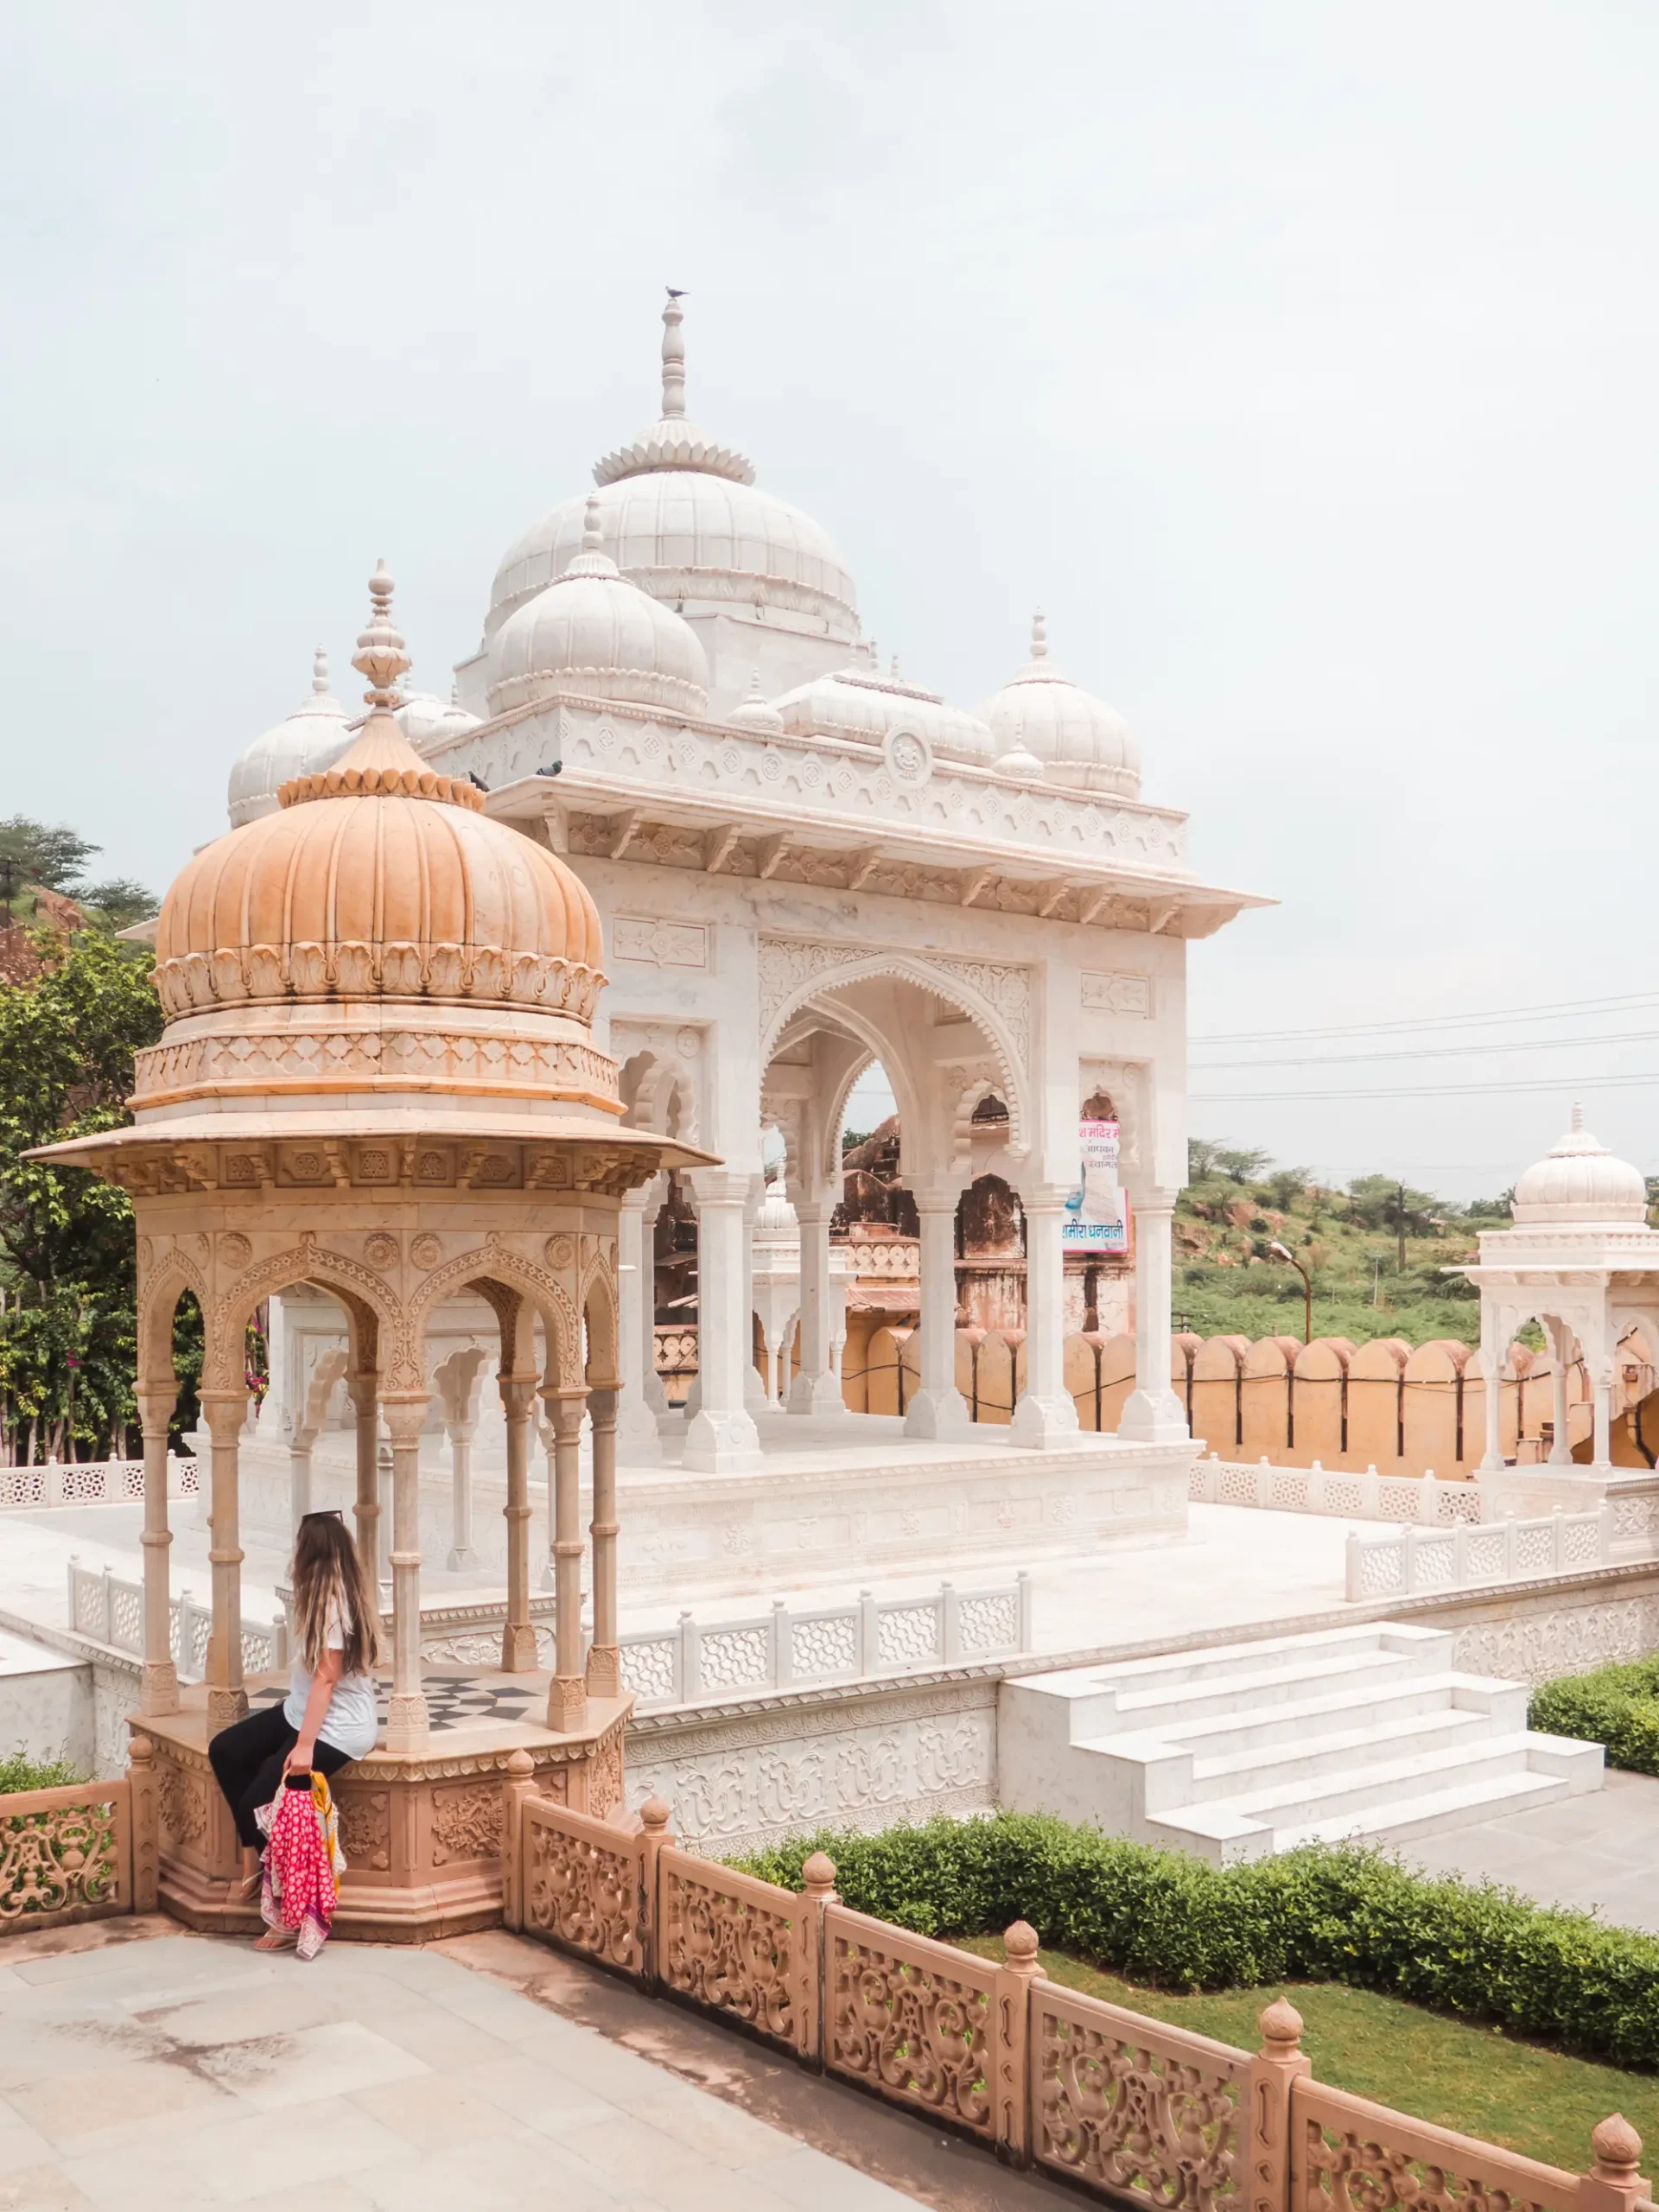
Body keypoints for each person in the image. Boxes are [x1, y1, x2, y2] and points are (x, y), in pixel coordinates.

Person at [207, 1509, 380, 1949]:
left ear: (312, 1552)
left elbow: (327, 1676)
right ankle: (257, 1862)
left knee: (264, 1799)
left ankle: (291, 1913)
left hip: (337, 1728)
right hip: (300, 1711)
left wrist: (303, 1749)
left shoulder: (334, 1603)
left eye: (300, 1545)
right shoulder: (320, 1593)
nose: (294, 1552)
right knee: (226, 1750)